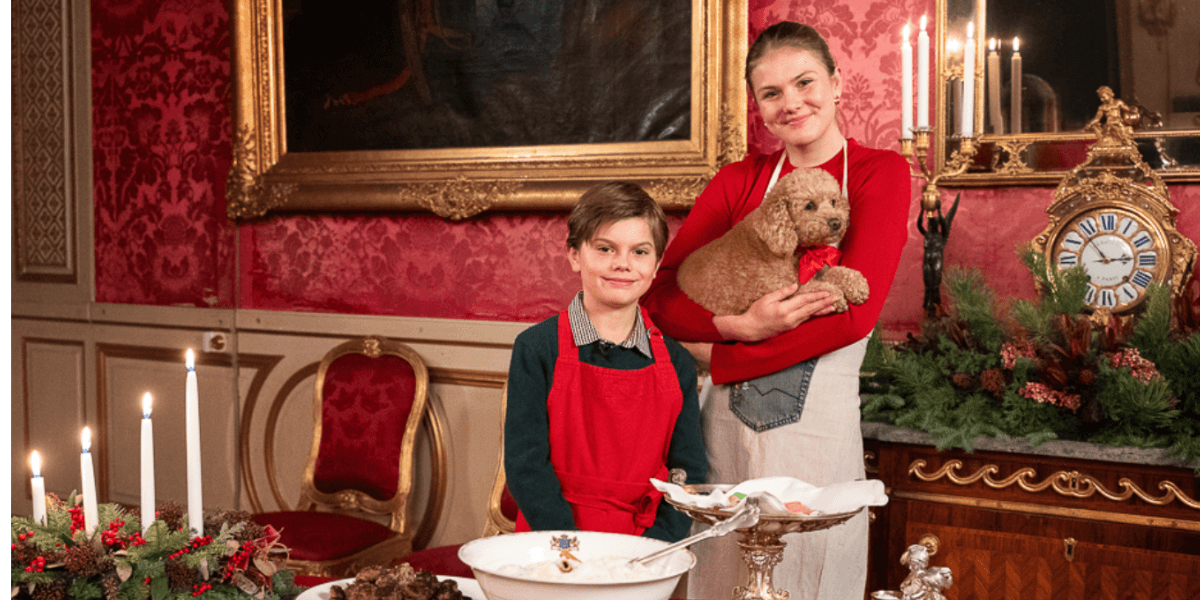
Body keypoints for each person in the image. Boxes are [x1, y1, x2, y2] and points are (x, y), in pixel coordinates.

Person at [641, 21, 910, 599]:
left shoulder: (879, 173)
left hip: (817, 439)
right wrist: (736, 325)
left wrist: (723, 358)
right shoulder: (739, 182)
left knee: (812, 579)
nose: (791, 102)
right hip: (722, 436)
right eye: (771, 92)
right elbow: (660, 296)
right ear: (758, 107)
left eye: (805, 82)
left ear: (837, 83)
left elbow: (852, 316)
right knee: (722, 580)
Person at [504, 181, 707, 543]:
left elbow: (687, 471)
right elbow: (526, 465)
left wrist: (653, 548)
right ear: (574, 255)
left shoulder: (677, 363)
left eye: (640, 252)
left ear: (657, 264)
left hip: (644, 546)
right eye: (605, 248)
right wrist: (572, 546)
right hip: (553, 542)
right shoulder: (537, 349)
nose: (622, 264)